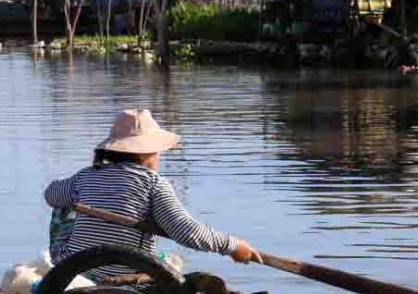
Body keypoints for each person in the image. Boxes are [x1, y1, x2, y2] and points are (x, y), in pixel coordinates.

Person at [43, 109, 260, 284]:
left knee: (64, 203)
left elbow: (51, 195)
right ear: (148, 152)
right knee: (172, 263)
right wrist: (232, 246)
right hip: (129, 272)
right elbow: (186, 231)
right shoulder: (153, 183)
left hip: (74, 268)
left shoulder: (85, 176)